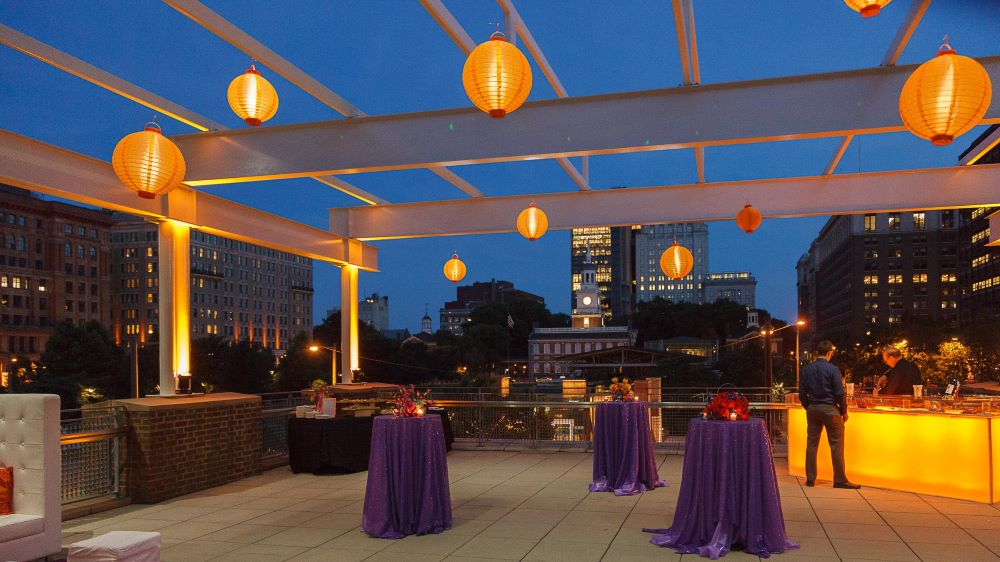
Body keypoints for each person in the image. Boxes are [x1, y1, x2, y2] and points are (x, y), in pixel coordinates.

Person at [799, 340, 860, 489]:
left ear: (816, 353)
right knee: (836, 445)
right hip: (830, 409)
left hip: (813, 408)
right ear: (829, 353)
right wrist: (844, 410)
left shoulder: (806, 370)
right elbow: (839, 393)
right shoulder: (833, 369)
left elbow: (801, 393)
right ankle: (839, 480)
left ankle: (810, 479)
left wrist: (809, 407)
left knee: (811, 444)